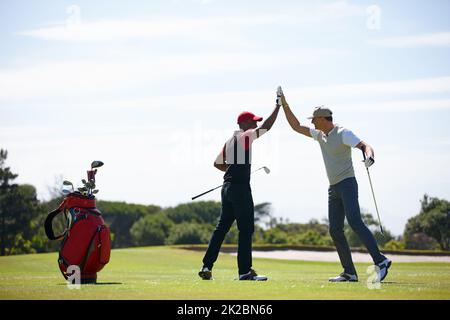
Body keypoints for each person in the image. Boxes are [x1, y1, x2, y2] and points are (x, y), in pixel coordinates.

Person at [280, 92, 392, 282]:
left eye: (315, 119)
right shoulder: (320, 135)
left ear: (323, 119)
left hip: (347, 183)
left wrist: (369, 156)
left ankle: (380, 260)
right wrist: (284, 104)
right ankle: (349, 272)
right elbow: (296, 126)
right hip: (333, 188)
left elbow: (365, 145)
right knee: (335, 229)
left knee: (355, 221)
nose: (313, 123)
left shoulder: (343, 133)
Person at [198, 95, 282, 281]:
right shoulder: (245, 135)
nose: (254, 125)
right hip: (240, 189)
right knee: (245, 230)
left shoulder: (229, 141)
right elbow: (266, 127)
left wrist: (233, 168)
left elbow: (217, 163)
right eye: (252, 122)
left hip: (226, 189)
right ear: (244, 123)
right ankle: (245, 271)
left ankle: (206, 265)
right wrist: (278, 108)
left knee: (221, 229)